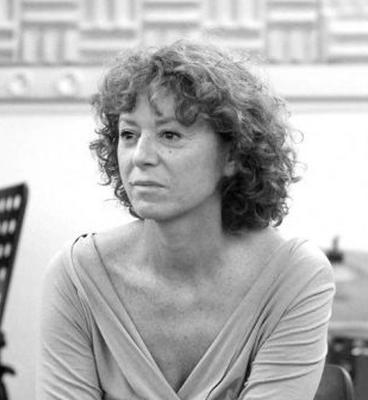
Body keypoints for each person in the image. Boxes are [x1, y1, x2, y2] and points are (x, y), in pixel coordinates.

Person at [37, 41, 335, 400]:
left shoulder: (295, 277)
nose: (141, 156)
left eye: (170, 135)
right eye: (129, 134)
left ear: (232, 155)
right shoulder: (76, 278)